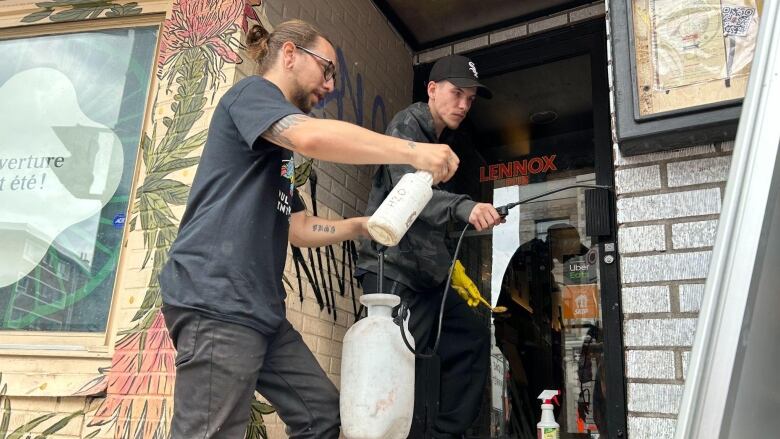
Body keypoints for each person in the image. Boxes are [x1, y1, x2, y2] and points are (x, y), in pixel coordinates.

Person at [158, 20, 459, 439]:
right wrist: (413, 150)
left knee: (321, 418)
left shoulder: (277, 147)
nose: (331, 85)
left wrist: (359, 226)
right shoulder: (253, 96)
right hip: (218, 301)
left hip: (261, 310)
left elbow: (297, 226)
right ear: (289, 55)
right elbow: (312, 138)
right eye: (327, 69)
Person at [356, 54, 501, 438]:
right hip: (393, 272)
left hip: (427, 277)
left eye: (470, 99)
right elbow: (411, 195)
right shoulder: (407, 126)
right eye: (457, 94)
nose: (464, 105)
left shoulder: (442, 142)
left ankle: (443, 433)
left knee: (471, 335)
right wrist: (465, 207)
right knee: (391, 369)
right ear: (432, 89)